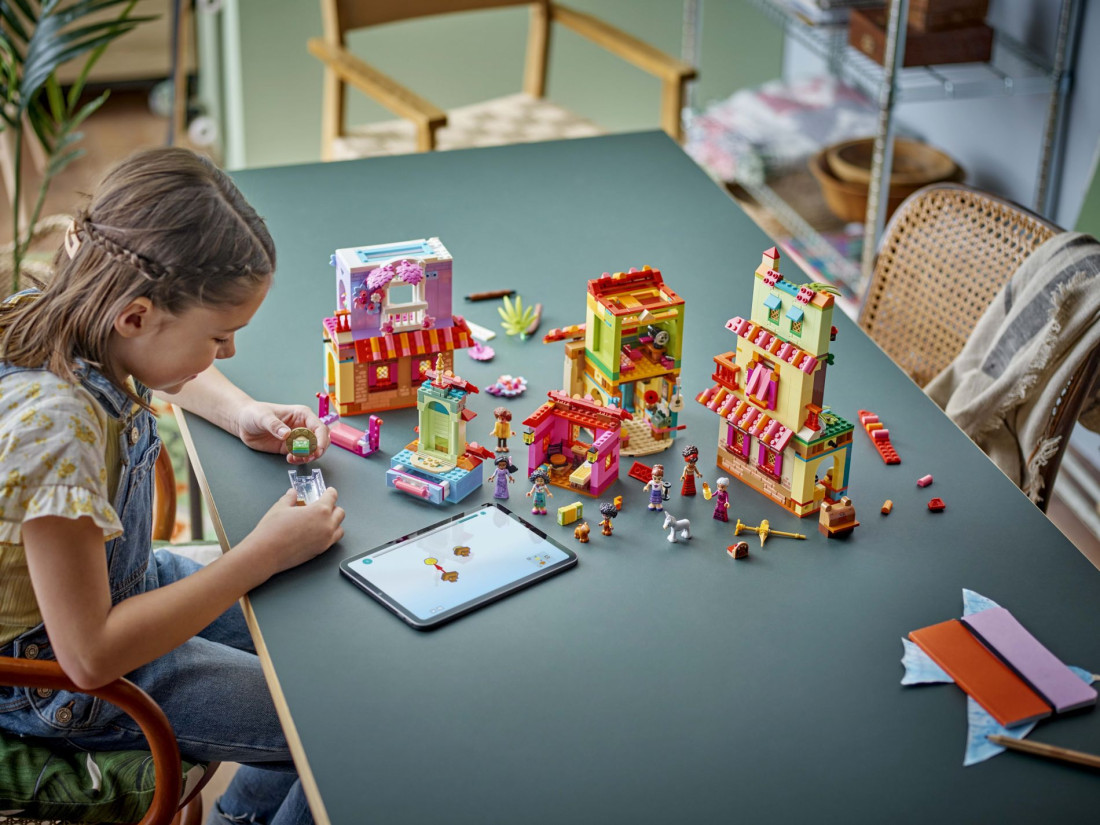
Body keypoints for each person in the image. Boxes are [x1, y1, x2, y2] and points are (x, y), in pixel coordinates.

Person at [0, 148, 345, 825]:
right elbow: (90, 655)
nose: (229, 353)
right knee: (331, 723)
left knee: (312, 645)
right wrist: (262, 553)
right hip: (60, 674)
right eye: (219, 337)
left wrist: (241, 412)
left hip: (121, 585)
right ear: (135, 314)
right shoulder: (57, 429)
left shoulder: (73, 314)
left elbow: (160, 360)